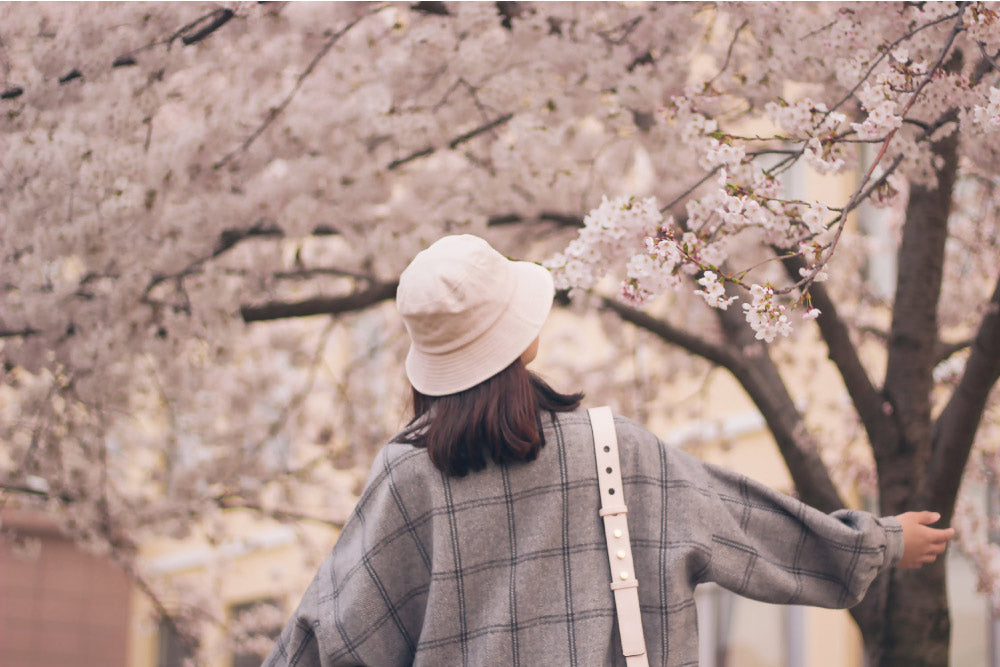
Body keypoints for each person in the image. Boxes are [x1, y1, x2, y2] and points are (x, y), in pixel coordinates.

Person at [265, 234, 955, 666]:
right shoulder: (611, 451)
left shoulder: (406, 476)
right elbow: (745, 525)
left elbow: (330, 636)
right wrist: (879, 541)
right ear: (524, 337)